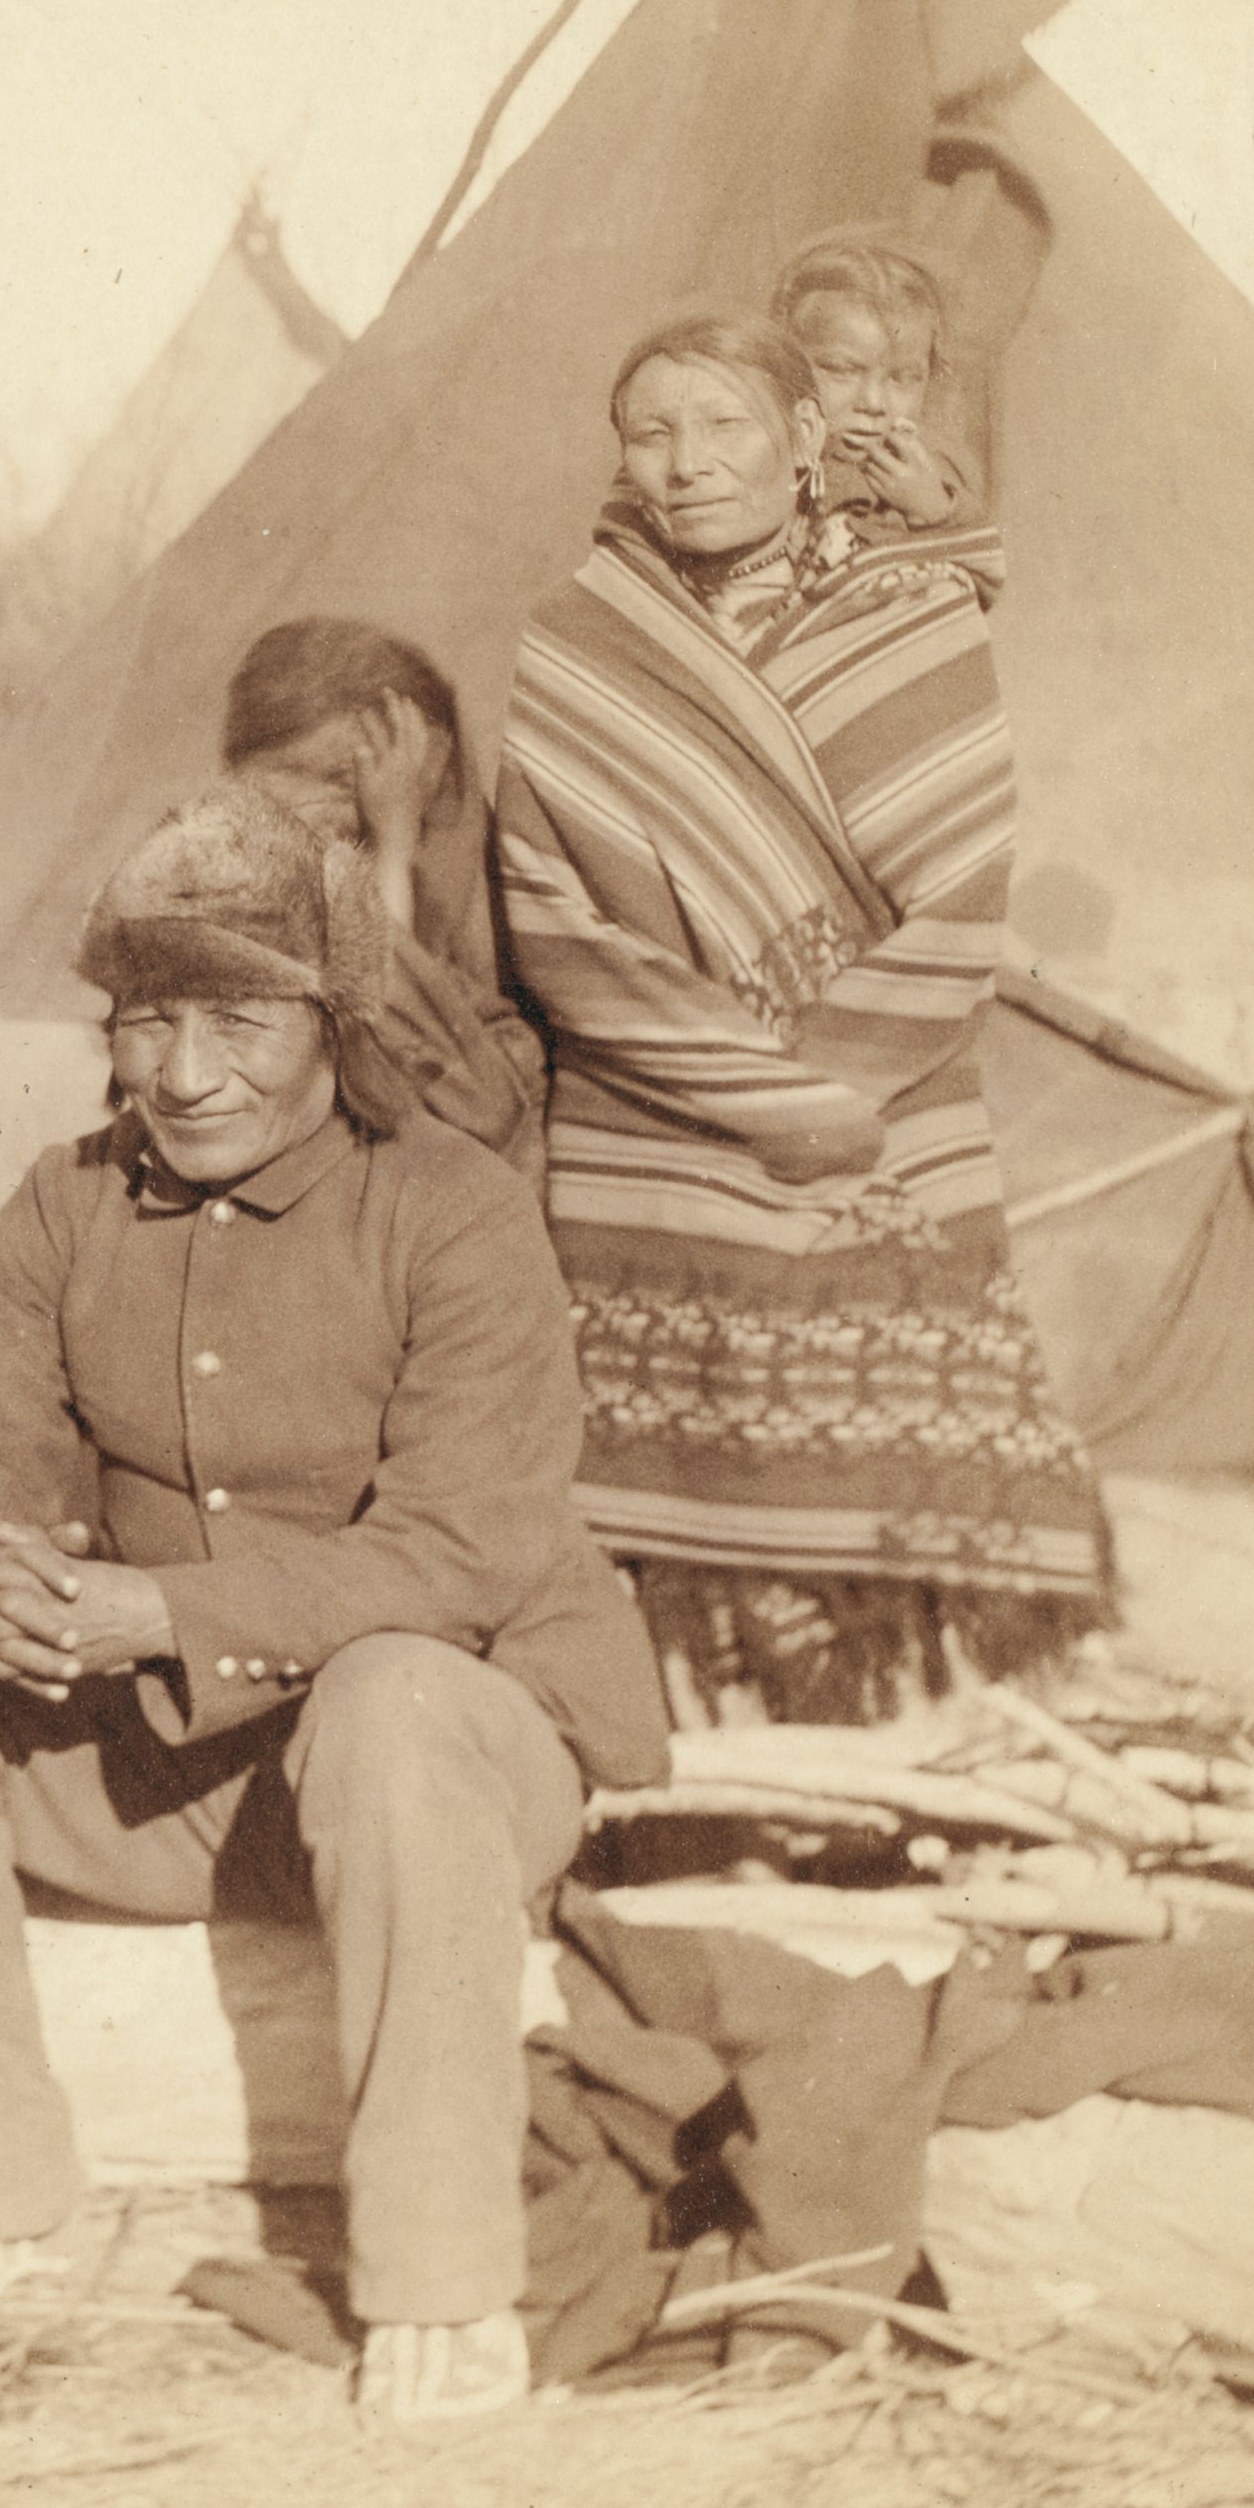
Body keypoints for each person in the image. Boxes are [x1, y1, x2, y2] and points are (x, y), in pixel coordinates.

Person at [0, 780, 667, 2430]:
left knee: (392, 1696)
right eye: (143, 1021)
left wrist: (145, 1620)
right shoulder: (71, 1205)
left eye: (235, 1020)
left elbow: (461, 1554)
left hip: (444, 1772)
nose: (181, 1073)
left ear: (333, 1022)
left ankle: (436, 2274)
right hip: (198, 1781)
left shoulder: (452, 1215)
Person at [488, 312, 1108, 1724]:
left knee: (883, 1497)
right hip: (650, 1124)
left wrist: (826, 1088)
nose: (688, 461)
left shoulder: (914, 614)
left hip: (879, 1107)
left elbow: (960, 888)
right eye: (653, 430)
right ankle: (695, 1782)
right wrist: (744, 1085)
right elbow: (546, 903)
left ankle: (887, 1781)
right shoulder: (577, 641)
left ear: (804, 438)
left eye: (723, 424)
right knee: (666, 1518)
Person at [217, 617, 550, 1184]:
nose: (296, 805)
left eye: (348, 778)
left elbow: (471, 1099)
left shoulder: (500, 907)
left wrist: (394, 839)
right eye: (277, 777)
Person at [771, 229, 981, 538]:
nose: (873, 404)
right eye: (842, 370)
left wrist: (935, 512)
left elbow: (985, 569)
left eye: (903, 378)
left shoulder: (935, 470)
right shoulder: (767, 454)